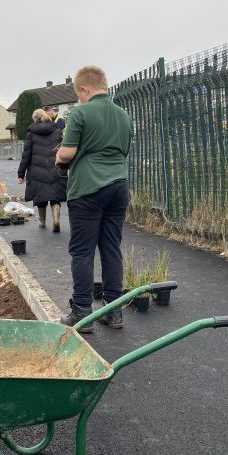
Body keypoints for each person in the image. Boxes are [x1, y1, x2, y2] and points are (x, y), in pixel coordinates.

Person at [55, 65, 133, 332]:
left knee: (82, 251)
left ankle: (82, 313)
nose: (79, 99)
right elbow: (122, 151)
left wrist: (58, 157)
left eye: (79, 94)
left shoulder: (81, 113)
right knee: (111, 248)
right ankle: (114, 312)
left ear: (85, 89)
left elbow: (67, 153)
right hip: (119, 186)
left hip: (88, 189)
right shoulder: (123, 115)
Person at [17, 109, 66, 232]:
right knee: (55, 196)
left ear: (35, 119)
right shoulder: (57, 130)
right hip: (55, 166)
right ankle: (56, 220)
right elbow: (62, 148)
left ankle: (42, 222)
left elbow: (26, 154)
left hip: (37, 169)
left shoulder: (31, 133)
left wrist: (21, 173)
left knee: (40, 196)